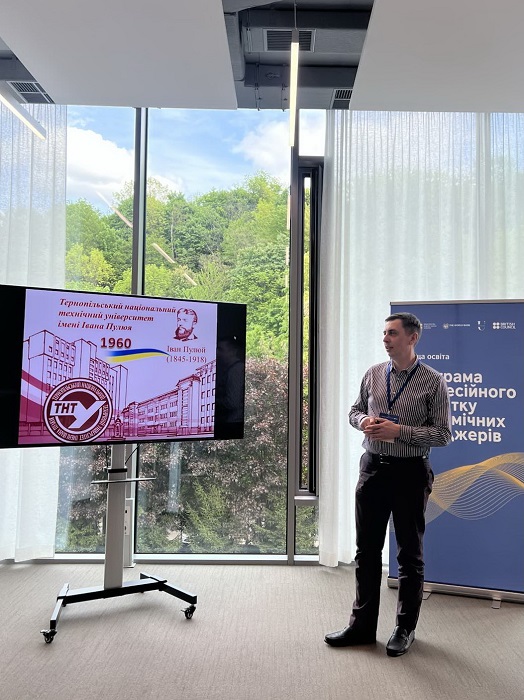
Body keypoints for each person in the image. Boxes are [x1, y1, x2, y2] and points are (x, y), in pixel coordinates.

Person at [324, 312, 451, 657]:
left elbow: (443, 434)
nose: (385, 339)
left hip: (410, 473)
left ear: (412, 338)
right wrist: (363, 420)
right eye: (384, 333)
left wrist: (400, 432)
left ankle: (404, 629)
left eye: (392, 333)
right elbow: (353, 411)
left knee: (409, 554)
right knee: (366, 551)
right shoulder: (373, 374)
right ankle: (361, 627)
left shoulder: (433, 381)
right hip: (372, 470)